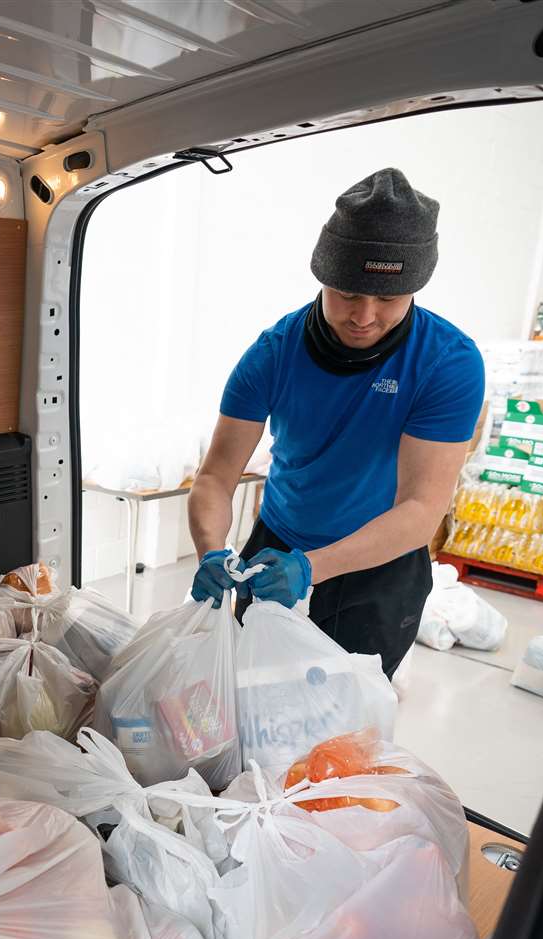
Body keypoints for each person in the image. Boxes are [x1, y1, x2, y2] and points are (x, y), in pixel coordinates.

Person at [188, 167, 485, 678]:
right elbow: (216, 478)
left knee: (344, 728)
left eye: (388, 299)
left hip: (380, 564)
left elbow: (421, 508)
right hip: (278, 547)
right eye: (347, 292)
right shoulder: (273, 354)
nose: (364, 315)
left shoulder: (447, 363)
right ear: (324, 277)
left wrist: (313, 569)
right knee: (251, 699)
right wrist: (212, 553)